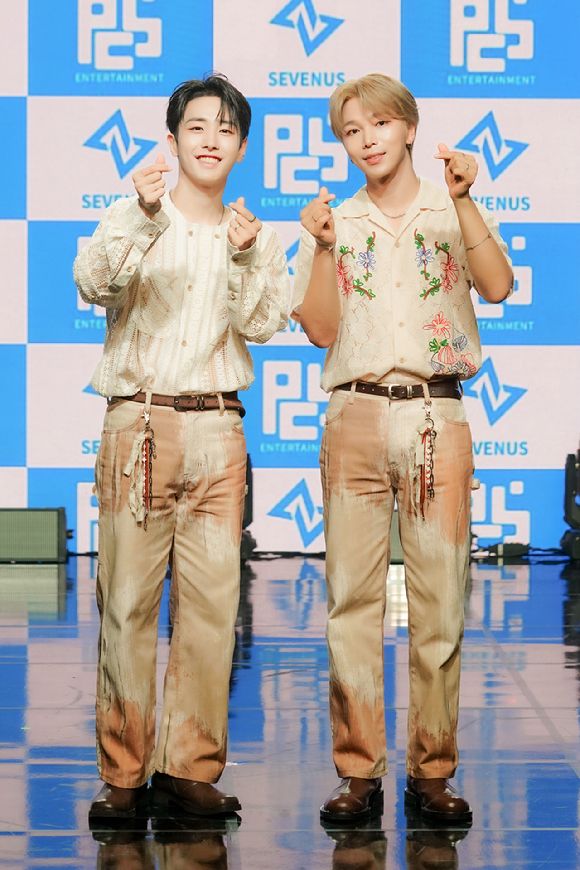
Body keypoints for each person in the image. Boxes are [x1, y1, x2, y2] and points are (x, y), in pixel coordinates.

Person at [292, 73, 513, 826]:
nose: (367, 140)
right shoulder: (336, 219)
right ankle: (359, 772)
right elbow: (321, 331)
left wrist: (466, 200)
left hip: (433, 416)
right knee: (349, 606)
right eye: (351, 131)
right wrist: (321, 248)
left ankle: (432, 771)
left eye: (380, 124)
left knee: (440, 603)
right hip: (354, 414)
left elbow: (499, 285)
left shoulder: (450, 205)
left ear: (410, 128)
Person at [74, 74, 290, 821]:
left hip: (220, 429)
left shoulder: (255, 234)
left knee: (211, 609)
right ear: (172, 139)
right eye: (196, 126)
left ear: (242, 147)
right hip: (140, 425)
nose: (210, 140)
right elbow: (92, 284)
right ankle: (124, 775)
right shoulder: (134, 212)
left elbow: (262, 325)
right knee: (127, 605)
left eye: (226, 130)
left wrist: (244, 257)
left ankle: (189, 769)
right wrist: (139, 216)